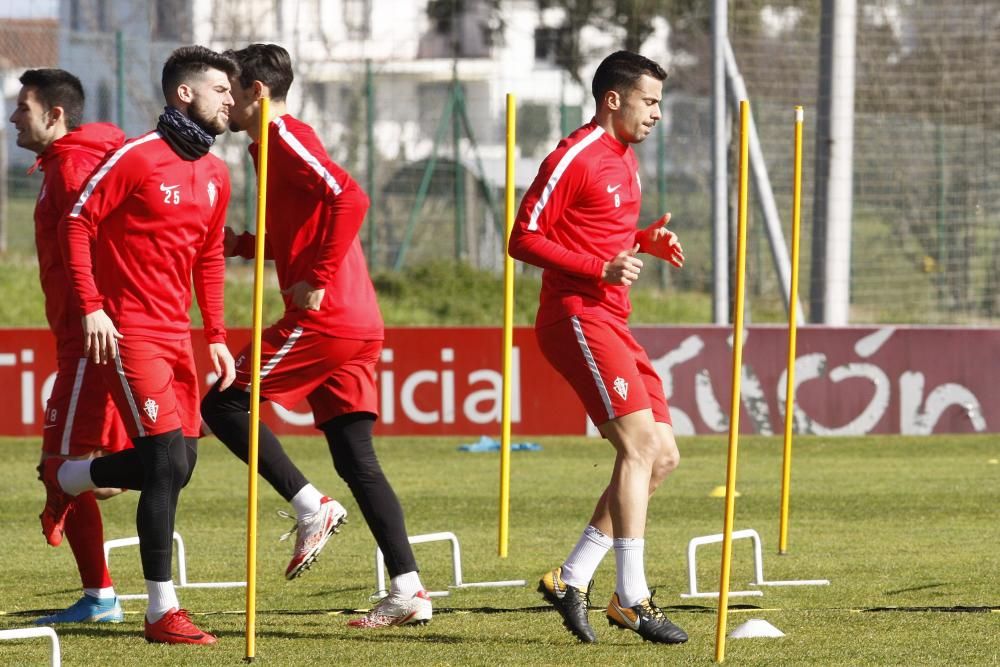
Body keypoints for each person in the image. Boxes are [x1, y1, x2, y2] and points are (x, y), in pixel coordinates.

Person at [200, 43, 431, 628]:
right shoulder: (263, 148)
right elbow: (301, 231)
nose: (223, 100)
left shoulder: (285, 136)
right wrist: (246, 246)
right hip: (357, 321)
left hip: (329, 318)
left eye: (230, 89)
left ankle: (312, 506)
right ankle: (409, 591)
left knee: (223, 401)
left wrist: (318, 280)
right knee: (358, 460)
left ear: (257, 92)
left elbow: (350, 196)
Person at [38, 46, 238, 645]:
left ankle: (70, 478)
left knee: (183, 466)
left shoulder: (216, 174)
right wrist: (94, 307)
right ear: (184, 94)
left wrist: (218, 337)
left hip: (178, 336)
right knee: (161, 463)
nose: (232, 100)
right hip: (130, 331)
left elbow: (207, 256)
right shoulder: (135, 157)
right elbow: (77, 223)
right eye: (221, 90)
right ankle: (160, 612)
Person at [508, 50, 688, 645]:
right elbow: (522, 237)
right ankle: (631, 597)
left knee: (661, 455)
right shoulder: (573, 155)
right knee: (637, 445)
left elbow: (600, 231)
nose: (658, 113)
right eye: (651, 100)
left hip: (612, 319)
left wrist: (643, 241)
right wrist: (598, 267)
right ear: (614, 99)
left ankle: (571, 576)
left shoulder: (626, 160)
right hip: (576, 317)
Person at [10, 68, 129, 625]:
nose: (13, 117)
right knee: (76, 468)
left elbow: (102, 245)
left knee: (62, 465)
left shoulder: (75, 167)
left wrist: (94, 312)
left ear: (55, 115)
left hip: (90, 340)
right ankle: (99, 594)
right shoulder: (67, 163)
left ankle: (103, 597)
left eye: (22, 107)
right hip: (80, 339)